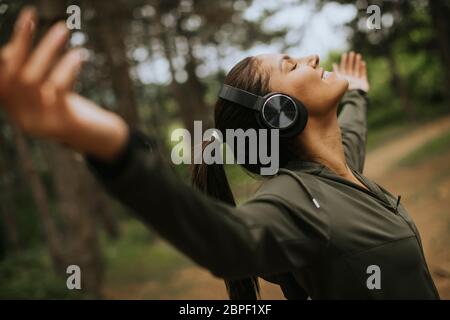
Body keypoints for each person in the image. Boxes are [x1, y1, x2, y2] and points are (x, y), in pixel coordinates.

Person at [0, 8, 440, 300]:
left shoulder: (338, 174)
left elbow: (351, 136)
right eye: (291, 66)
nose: (311, 57)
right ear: (279, 111)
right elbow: (227, 240)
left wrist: (357, 95)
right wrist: (115, 151)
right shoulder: (299, 202)